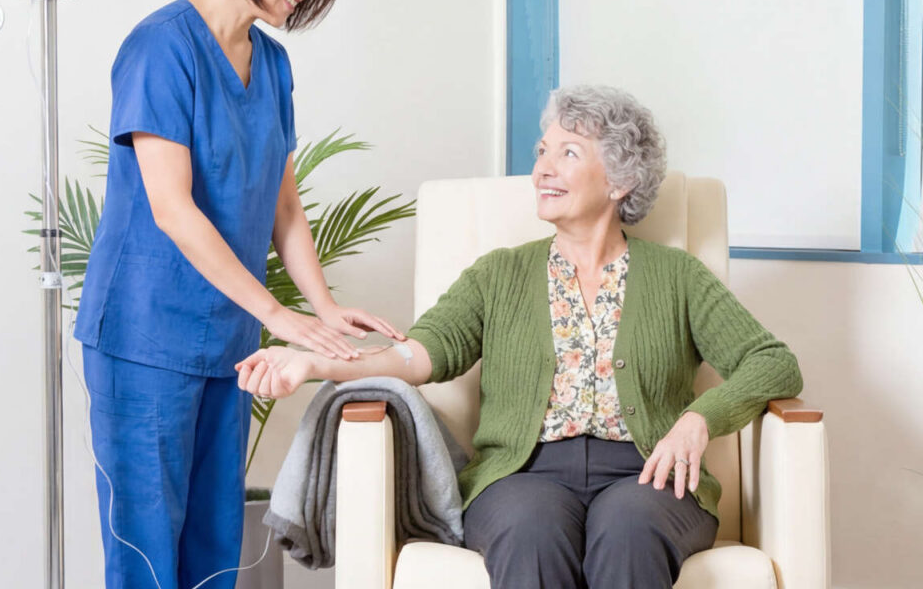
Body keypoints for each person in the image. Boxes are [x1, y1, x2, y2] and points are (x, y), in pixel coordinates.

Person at [235, 84, 804, 589]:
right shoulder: (499, 274)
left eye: (568, 153)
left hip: (648, 475)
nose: (542, 170)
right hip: (522, 475)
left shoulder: (677, 277)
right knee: (530, 532)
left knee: (630, 531)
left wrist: (699, 419)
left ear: (621, 180)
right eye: (541, 151)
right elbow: (418, 354)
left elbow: (772, 362)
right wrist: (315, 364)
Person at [73, 0, 403, 589]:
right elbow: (172, 208)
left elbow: (284, 209)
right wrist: (278, 314)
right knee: (146, 550)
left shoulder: (273, 64)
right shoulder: (160, 48)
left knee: (214, 543)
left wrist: (321, 307)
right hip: (143, 337)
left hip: (227, 339)